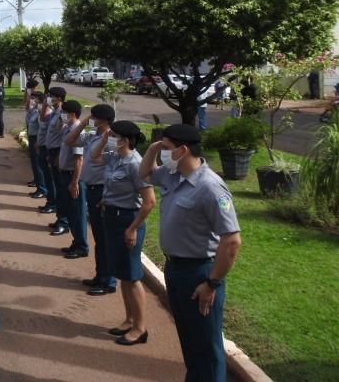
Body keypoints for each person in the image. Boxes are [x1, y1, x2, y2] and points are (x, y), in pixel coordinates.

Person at [139, 124, 242, 382]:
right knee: (189, 339)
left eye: (167, 148)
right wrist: (153, 147)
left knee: (206, 347)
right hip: (175, 269)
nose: (163, 152)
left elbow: (231, 241)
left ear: (182, 150)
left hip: (200, 273)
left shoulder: (211, 187)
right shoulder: (173, 175)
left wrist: (211, 283)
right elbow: (145, 174)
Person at [91, 120, 155, 346]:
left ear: (125, 140)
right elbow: (94, 157)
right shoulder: (114, 156)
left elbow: (149, 202)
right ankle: (129, 320)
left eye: (113, 135)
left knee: (132, 275)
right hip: (112, 217)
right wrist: (103, 138)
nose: (110, 137)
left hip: (127, 221)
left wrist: (132, 228)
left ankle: (140, 328)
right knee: (123, 276)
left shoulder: (136, 164)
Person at [66, 103, 117, 296]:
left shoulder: (110, 139)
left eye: (94, 117)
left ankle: (109, 281)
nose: (91, 120)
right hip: (93, 190)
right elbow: (69, 140)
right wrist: (84, 122)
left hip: (104, 191)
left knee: (105, 238)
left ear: (102, 120)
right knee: (98, 237)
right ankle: (100, 276)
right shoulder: (92, 136)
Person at [59, 100, 87, 259]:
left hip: (72, 177)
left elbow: (79, 159)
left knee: (77, 212)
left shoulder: (77, 131)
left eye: (64, 113)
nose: (62, 115)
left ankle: (82, 245)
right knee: (71, 211)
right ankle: (76, 242)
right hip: (65, 174)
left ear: (73, 114)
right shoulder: (68, 128)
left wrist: (75, 182)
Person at [44, 87, 68, 236]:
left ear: (59, 98)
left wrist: (58, 156)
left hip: (59, 153)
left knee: (61, 190)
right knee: (57, 188)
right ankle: (60, 218)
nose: (49, 98)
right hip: (52, 151)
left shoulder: (63, 114)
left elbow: (63, 136)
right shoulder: (55, 112)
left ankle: (64, 222)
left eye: (51, 96)